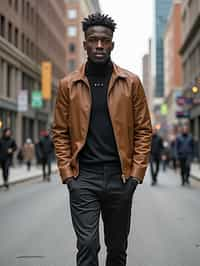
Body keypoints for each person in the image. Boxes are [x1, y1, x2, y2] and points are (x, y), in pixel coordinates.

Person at [52, 13, 152, 266]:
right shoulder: (68, 85)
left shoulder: (131, 83)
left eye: (104, 41)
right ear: (84, 43)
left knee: (117, 250)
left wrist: (134, 177)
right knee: (87, 246)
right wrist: (69, 177)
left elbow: (143, 130)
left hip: (120, 178)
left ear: (112, 44)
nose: (99, 45)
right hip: (83, 178)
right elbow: (60, 132)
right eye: (93, 40)